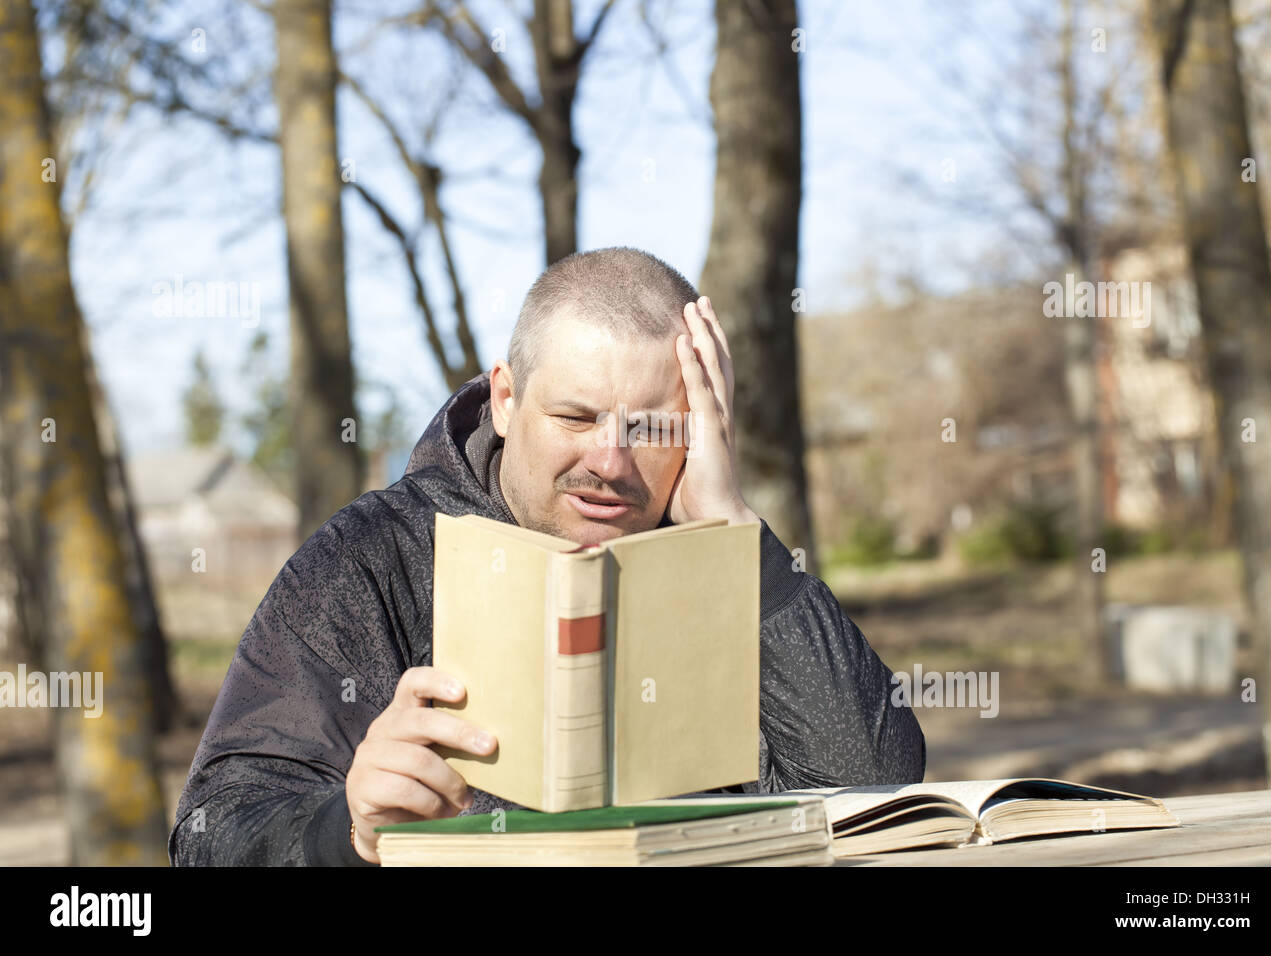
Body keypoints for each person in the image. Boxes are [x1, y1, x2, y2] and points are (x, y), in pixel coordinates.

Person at [169, 246, 925, 866]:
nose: (610, 461)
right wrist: (348, 831)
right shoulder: (366, 560)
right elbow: (211, 833)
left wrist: (734, 536)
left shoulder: (726, 561)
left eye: (653, 428)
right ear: (505, 399)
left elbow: (874, 791)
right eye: (575, 416)